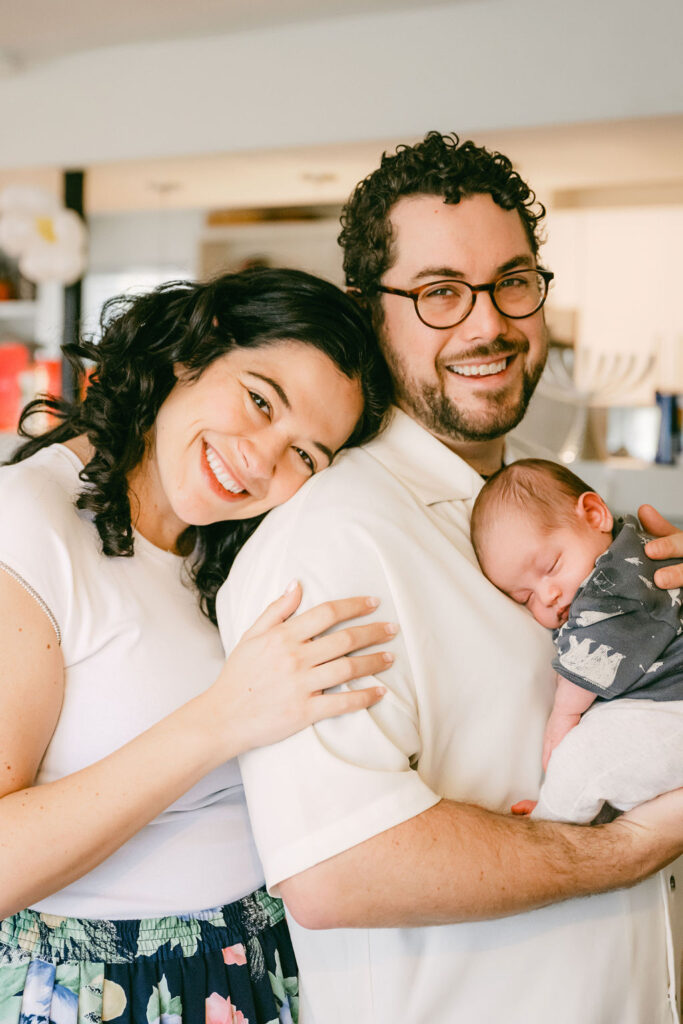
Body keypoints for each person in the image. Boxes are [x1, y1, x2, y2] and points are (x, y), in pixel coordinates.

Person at [217, 133, 683, 1024]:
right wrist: (630, 848)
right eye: (439, 292)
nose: (486, 325)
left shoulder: (555, 503)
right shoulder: (328, 543)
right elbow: (336, 871)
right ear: (370, 312)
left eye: (512, 281)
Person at [0, 268, 396, 1023]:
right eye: (260, 400)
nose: (261, 460)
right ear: (192, 351)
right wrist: (222, 718)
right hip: (104, 990)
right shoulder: (28, 522)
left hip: (252, 966)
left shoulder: (233, 549)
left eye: (305, 455)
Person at [470, 457, 683, 823]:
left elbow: (595, 648)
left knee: (581, 757)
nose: (547, 595)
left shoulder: (619, 575)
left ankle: (549, 826)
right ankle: (573, 813)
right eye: (525, 597)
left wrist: (564, 713)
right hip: (664, 705)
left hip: (673, 704)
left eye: (551, 566)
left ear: (594, 515)